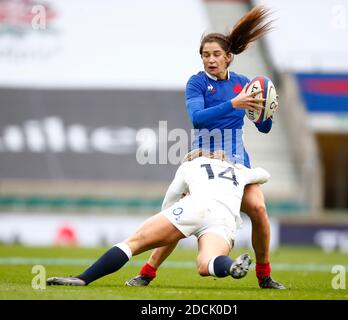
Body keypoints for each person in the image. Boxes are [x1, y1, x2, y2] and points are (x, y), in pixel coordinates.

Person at [126, 5, 285, 289]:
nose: (210, 60)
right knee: (180, 218)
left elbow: (262, 127)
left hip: (238, 166)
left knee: (259, 209)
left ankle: (264, 275)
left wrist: (267, 112)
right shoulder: (197, 83)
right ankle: (148, 271)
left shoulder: (243, 84)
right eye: (205, 55)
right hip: (205, 165)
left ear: (228, 57)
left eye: (215, 55)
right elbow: (197, 119)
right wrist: (234, 103)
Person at [46, 150, 271, 286]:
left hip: (195, 205)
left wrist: (176, 214)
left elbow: (169, 205)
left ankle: (84, 277)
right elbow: (265, 174)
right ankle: (231, 267)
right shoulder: (240, 171)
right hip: (224, 219)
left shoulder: (190, 165)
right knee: (205, 264)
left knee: (133, 243)